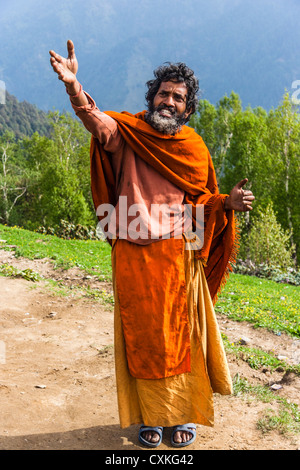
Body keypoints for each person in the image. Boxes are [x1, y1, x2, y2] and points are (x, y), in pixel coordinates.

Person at [49, 40, 255, 448]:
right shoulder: (128, 133)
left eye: (179, 97)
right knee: (142, 341)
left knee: (182, 338)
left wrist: (226, 203)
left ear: (188, 109)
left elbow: (201, 200)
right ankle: (148, 418)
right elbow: (97, 123)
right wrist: (75, 87)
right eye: (164, 93)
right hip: (133, 257)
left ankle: (181, 415)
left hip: (178, 257)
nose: (170, 101)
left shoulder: (192, 149)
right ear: (152, 98)